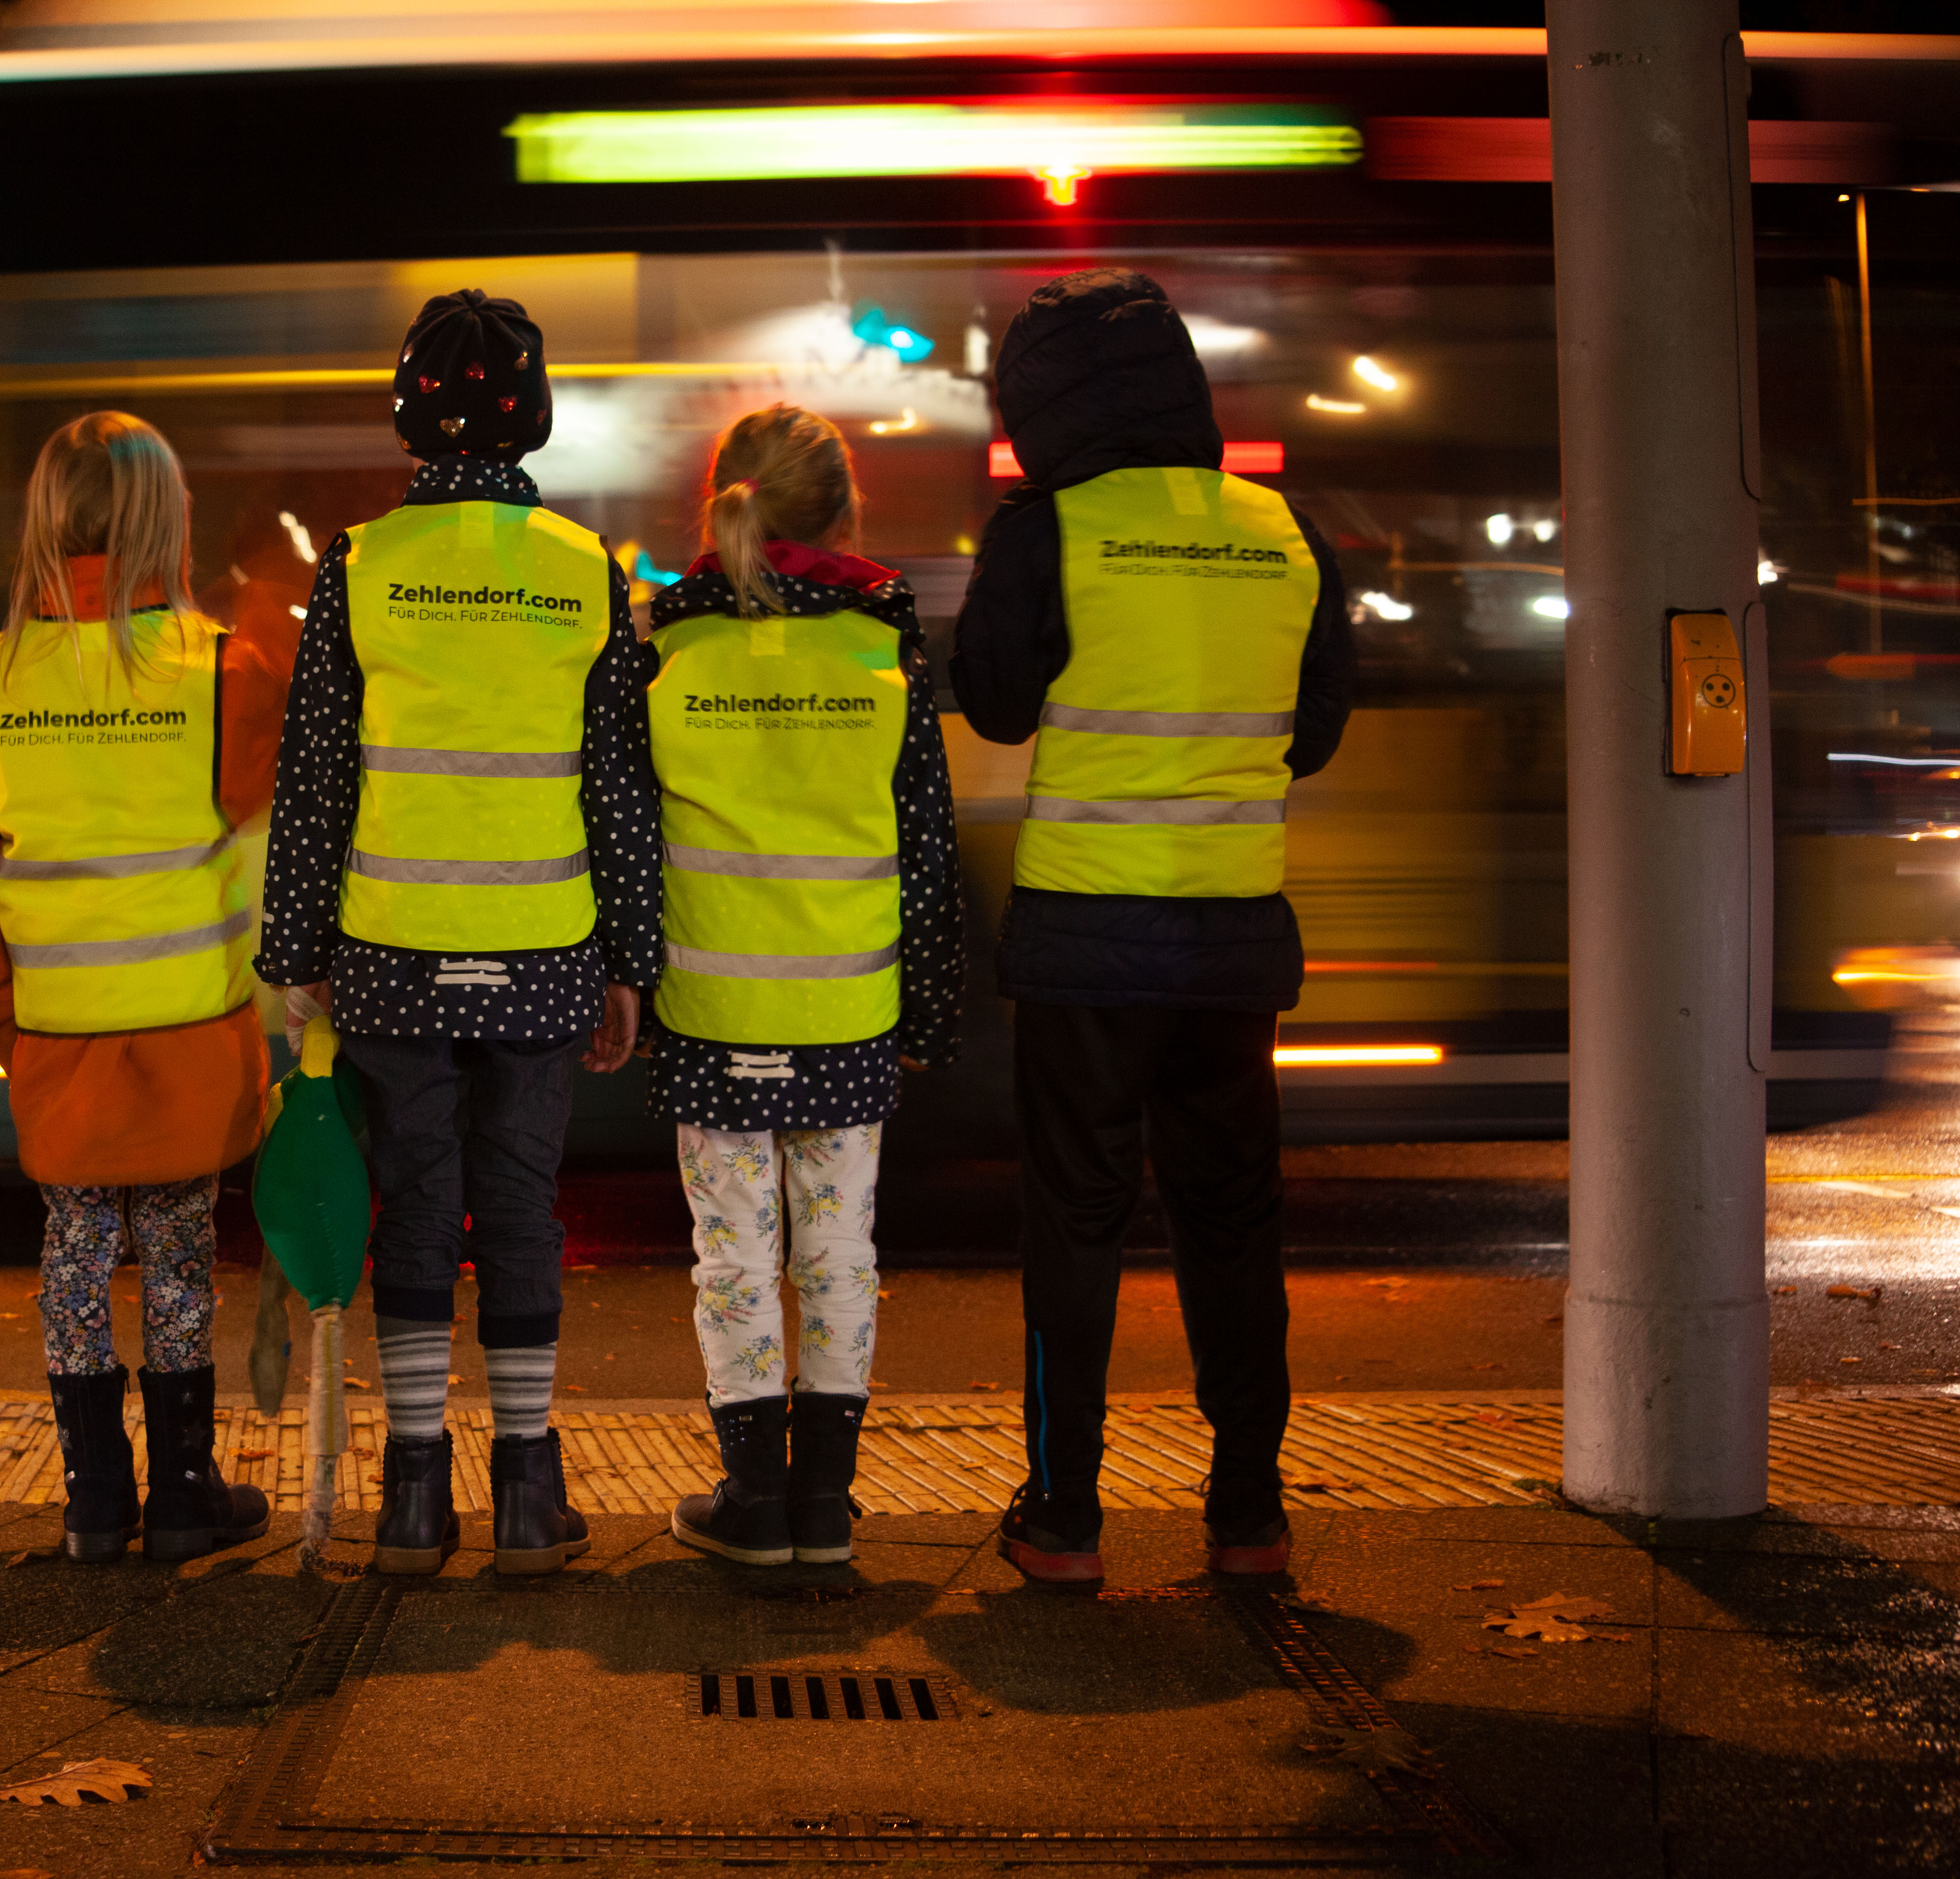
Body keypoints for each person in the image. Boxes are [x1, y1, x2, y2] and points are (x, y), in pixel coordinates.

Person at [951, 268, 1355, 1585]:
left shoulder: (1050, 532)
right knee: (1233, 1221)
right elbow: (1315, 735)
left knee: (1077, 1219)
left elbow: (998, 709)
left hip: (1085, 939)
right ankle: (1250, 1511)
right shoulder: (1284, 531)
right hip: (1233, 937)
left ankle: (1065, 1517)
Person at [255, 289, 663, 1577]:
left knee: (420, 1206)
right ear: (534, 416)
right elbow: (620, 785)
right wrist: (630, 962)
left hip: (392, 956)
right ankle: (532, 1493)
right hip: (544, 949)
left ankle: (416, 1499)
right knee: (522, 1209)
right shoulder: (582, 569)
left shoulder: (362, 566)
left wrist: (293, 956)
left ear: (407, 418)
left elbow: (317, 774)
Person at [0, 413, 287, 1563]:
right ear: (169, 523)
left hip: (58, 1035)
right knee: (180, 1254)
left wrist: (3, 1018)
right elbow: (264, 854)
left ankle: (93, 1499)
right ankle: (185, 1490)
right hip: (192, 1031)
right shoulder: (223, 670)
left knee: (76, 1255)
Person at [643, 406, 961, 1566]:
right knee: (838, 1254)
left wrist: (627, 978)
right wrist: (928, 1006)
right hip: (845, 1003)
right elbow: (920, 832)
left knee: (732, 1257)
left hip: (713, 1003)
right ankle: (825, 1507)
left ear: (723, 497)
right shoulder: (881, 637)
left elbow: (631, 830)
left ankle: (754, 1504)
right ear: (841, 508)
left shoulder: (666, 640)